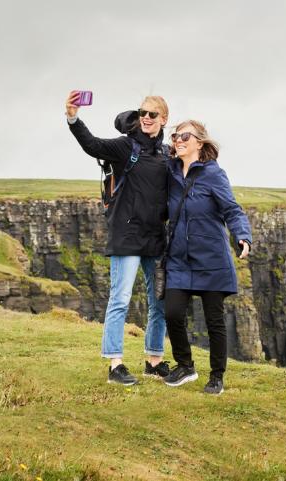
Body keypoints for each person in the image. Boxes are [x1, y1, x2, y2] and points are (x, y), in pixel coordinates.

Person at [64, 91, 172, 385]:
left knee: (159, 302)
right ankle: (115, 365)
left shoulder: (166, 154)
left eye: (152, 114)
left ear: (164, 119)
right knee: (120, 299)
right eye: (142, 113)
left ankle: (154, 361)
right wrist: (73, 118)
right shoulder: (127, 147)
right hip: (127, 235)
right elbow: (93, 145)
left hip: (155, 237)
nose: (146, 118)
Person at [162, 120, 252, 395]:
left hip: (211, 258)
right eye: (175, 136)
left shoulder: (213, 174)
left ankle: (216, 377)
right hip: (179, 258)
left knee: (214, 320)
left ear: (199, 142)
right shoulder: (171, 171)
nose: (178, 140)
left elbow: (232, 209)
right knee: (172, 312)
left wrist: (242, 235)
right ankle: (185, 366)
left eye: (185, 136)